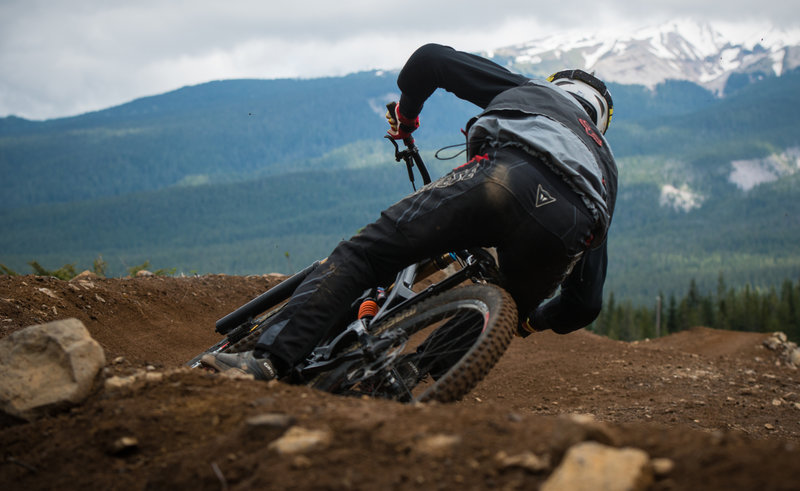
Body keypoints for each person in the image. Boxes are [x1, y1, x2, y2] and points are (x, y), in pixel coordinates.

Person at [202, 43, 617, 381]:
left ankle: (266, 361)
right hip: (571, 226)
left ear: (560, 88)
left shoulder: (536, 92)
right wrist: (526, 320)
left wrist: (406, 117)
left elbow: (430, 59)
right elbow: (584, 304)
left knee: (366, 254)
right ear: (600, 124)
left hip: (503, 179)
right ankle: (413, 375)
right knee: (511, 300)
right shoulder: (605, 168)